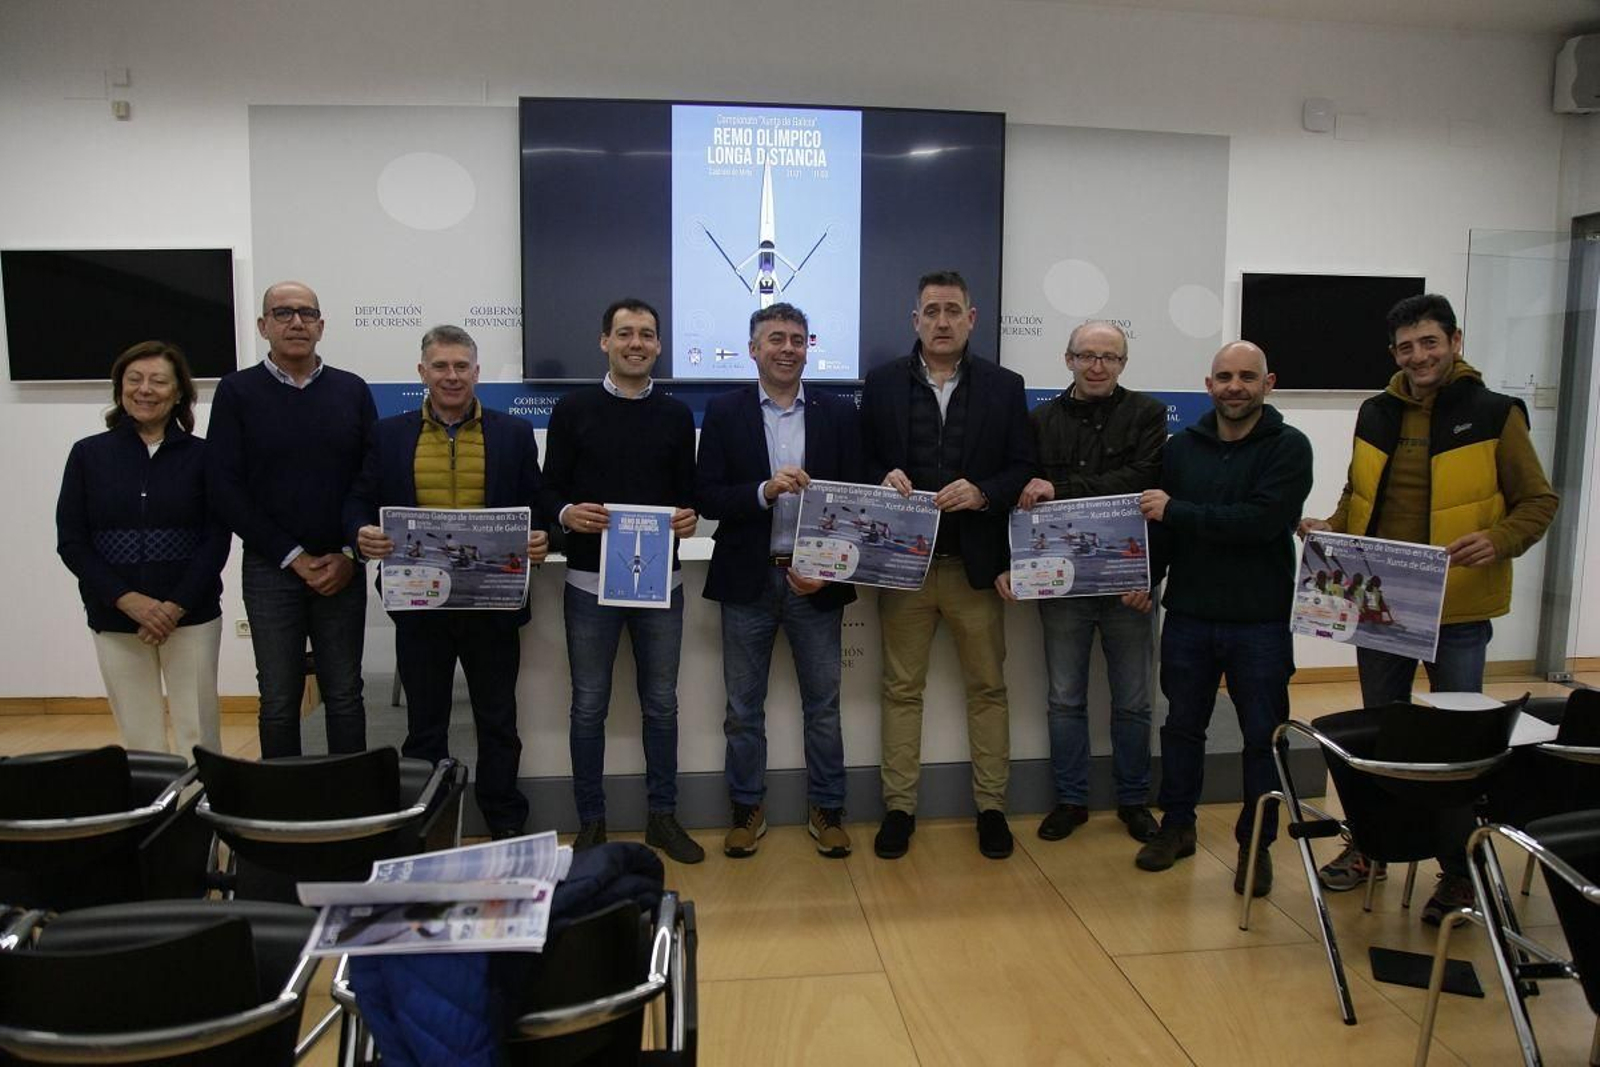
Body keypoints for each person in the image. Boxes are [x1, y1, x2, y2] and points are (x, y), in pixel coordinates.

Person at [1299, 293, 1557, 921]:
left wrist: (1499, 539)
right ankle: (1371, 847)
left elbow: (1538, 502)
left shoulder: (1496, 413)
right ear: (1394, 354)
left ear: (1455, 342)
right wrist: (1332, 527)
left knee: (1456, 748)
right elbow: (1360, 492)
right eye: (1406, 347)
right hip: (1378, 603)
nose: (1418, 356)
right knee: (1380, 736)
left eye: (1430, 343)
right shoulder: (1375, 411)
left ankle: (1458, 872)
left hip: (1459, 607)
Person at [345, 325, 550, 840]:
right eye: (441, 366)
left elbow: (539, 503)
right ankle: (426, 825)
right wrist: (359, 531)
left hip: (493, 605)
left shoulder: (512, 433)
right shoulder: (388, 434)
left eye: (461, 366)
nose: (451, 376)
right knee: (425, 725)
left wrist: (544, 535)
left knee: (498, 723)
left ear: (477, 373)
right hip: (420, 606)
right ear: (422, 372)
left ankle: (504, 823)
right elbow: (358, 499)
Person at [860, 270, 1034, 860]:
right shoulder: (882, 383)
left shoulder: (1005, 387)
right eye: (931, 311)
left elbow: (1023, 467)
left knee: (988, 689)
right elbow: (860, 458)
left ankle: (992, 808)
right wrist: (879, 476)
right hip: (903, 568)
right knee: (901, 690)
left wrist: (984, 492)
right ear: (915, 320)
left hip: (973, 565)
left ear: (971, 319)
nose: (941, 321)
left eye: (952, 310)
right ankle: (899, 809)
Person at [1132, 341, 1312, 898]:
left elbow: (1260, 522)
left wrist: (1177, 510)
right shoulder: (1181, 448)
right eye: (1225, 377)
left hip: (1260, 621)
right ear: (1208, 385)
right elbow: (1163, 531)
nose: (1236, 387)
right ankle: (1177, 826)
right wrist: (1147, 576)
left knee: (1263, 738)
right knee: (1182, 728)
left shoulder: (1290, 447)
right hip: (1189, 614)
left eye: (1247, 377)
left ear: (1268, 383)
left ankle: (1256, 846)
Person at [696, 302, 861, 859]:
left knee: (825, 707)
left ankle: (828, 810)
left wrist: (828, 571)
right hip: (748, 580)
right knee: (742, 710)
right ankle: (746, 810)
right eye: (775, 339)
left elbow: (854, 501)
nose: (787, 348)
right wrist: (763, 492)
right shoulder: (724, 412)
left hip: (815, 583)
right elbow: (707, 496)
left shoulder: (838, 413)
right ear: (753, 349)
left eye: (796, 339)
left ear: (807, 348)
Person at [543, 298, 704, 864]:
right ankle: (591, 822)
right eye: (625, 333)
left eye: (647, 334)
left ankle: (663, 817)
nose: (636, 343)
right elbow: (548, 489)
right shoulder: (572, 409)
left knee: (661, 704)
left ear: (658, 345)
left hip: (660, 584)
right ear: (604, 341)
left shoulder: (676, 415)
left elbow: (689, 495)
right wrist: (566, 514)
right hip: (589, 585)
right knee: (589, 706)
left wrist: (689, 517)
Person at [996, 321, 1165, 844]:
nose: (1097, 366)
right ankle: (1070, 800)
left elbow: (1144, 483)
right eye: (1087, 356)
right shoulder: (1039, 420)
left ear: (1123, 364)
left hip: (1128, 584)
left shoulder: (1148, 414)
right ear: (1067, 359)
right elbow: (1020, 496)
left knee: (1134, 701)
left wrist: (1061, 488)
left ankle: (1134, 801)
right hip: (1061, 585)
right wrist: (1012, 561)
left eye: (1109, 357)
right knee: (1065, 699)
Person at [207, 281, 376, 757]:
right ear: (264, 326)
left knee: (345, 695)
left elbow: (370, 477)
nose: (296, 322)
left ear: (321, 326)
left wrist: (350, 554)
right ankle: (281, 798)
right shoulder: (237, 392)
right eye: (283, 313)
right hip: (271, 567)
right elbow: (225, 487)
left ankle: (351, 794)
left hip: (342, 568)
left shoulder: (351, 390)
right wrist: (293, 556)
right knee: (279, 699)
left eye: (306, 313)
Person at [56, 341, 230, 755]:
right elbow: (72, 542)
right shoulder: (88, 455)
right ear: (120, 388)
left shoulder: (205, 456)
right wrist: (127, 600)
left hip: (191, 615)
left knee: (199, 733)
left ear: (179, 392)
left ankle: (202, 798)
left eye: (159, 381)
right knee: (140, 737)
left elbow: (217, 538)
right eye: (134, 380)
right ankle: (152, 801)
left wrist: (174, 606)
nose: (145, 390)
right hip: (115, 616)